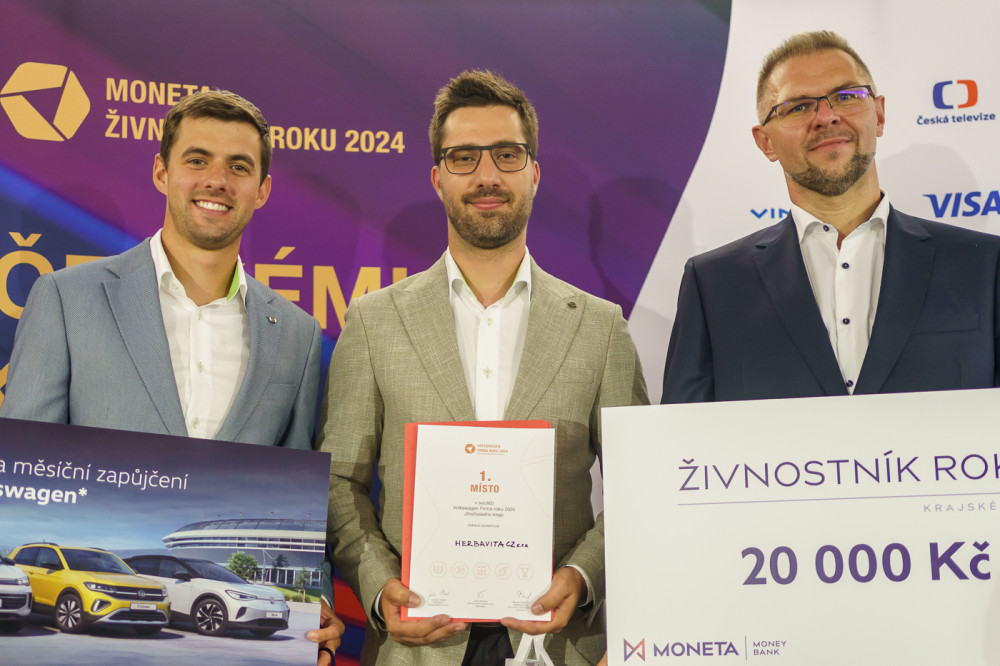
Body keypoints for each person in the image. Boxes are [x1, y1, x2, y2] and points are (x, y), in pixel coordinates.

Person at [320, 69, 647, 665]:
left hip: (556, 645)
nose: (487, 175)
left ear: (534, 173)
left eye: (507, 155)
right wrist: (380, 587)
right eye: (464, 157)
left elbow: (640, 484)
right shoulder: (373, 322)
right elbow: (340, 482)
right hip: (416, 647)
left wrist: (583, 574)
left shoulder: (600, 328)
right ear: (438, 178)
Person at [0, 89, 342, 660]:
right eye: (197, 159)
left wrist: (316, 611)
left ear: (262, 189)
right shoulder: (67, 298)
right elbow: (21, 472)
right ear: (162, 171)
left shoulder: (297, 334)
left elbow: (298, 510)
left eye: (239, 167)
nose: (217, 180)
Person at [661, 30, 1000, 403]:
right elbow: (684, 433)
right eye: (798, 107)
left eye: (846, 97)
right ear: (766, 142)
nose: (826, 116)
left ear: (879, 114)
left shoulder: (984, 265)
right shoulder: (713, 285)